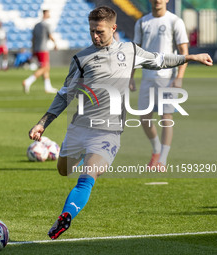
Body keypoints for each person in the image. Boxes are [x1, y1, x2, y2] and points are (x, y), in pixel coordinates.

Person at [28, 6, 212, 240]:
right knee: (64, 171)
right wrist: (42, 123)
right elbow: (65, 94)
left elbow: (160, 60)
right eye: (92, 31)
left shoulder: (130, 51)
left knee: (87, 179)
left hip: (108, 132)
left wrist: (190, 57)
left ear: (114, 29)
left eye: (100, 31)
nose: (95, 36)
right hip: (79, 128)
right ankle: (82, 158)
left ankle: (65, 217)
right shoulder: (81, 58)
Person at [130, 0, 189, 168]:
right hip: (147, 77)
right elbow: (136, 52)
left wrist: (179, 77)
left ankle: (162, 159)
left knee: (166, 118)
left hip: (168, 78)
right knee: (144, 118)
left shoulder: (175, 21)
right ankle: (156, 148)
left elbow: (184, 53)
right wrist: (131, 77)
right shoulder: (142, 22)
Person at [22, 9, 58, 94]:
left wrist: (33, 49)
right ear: (45, 14)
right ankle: (28, 81)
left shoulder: (36, 25)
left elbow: (33, 38)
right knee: (44, 68)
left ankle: (47, 87)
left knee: (46, 68)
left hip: (36, 49)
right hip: (43, 49)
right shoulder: (46, 25)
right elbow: (50, 35)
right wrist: (55, 43)